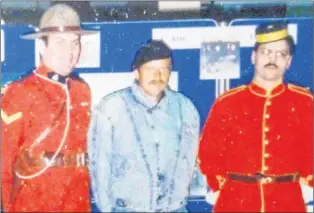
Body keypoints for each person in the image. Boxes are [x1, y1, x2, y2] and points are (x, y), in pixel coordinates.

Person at [198, 21, 313, 212]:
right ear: (253, 57)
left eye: (281, 54)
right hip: (235, 201)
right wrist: (221, 186)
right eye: (266, 52)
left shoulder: (304, 102)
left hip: (287, 202)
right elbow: (208, 153)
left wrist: (308, 183)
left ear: (289, 61)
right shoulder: (227, 102)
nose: (272, 59)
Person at [1, 4, 98, 212]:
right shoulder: (20, 92)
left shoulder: (82, 91)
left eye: (75, 43)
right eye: (60, 42)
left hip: (76, 200)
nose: (70, 52)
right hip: (35, 200)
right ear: (42, 46)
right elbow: (4, 159)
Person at [88, 40, 200, 212]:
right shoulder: (112, 107)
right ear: (136, 72)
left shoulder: (185, 108)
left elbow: (190, 159)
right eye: (150, 69)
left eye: (164, 69)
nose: (158, 76)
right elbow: (99, 167)